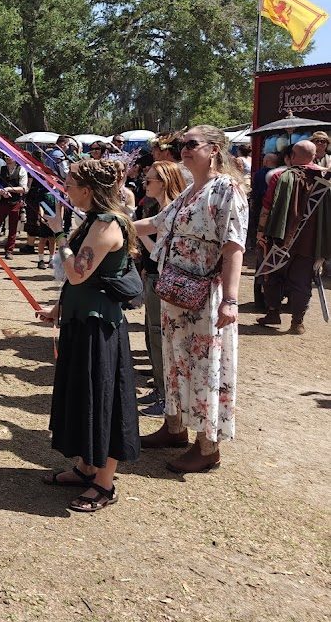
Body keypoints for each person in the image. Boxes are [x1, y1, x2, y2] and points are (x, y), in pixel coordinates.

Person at [133, 125, 247, 473]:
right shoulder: (191, 190)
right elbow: (156, 222)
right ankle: (174, 427)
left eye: (191, 144)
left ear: (214, 149)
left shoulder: (227, 189)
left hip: (204, 296)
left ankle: (207, 446)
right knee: (174, 360)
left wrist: (230, 300)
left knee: (203, 366)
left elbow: (233, 247)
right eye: (182, 145)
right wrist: (114, 221)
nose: (184, 149)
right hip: (176, 292)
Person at [37, 159, 140, 512]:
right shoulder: (94, 221)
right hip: (81, 321)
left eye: (70, 184)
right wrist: (58, 309)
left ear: (89, 190)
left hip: (100, 328)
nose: (66, 189)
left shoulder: (108, 225)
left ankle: (104, 484)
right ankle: (85, 468)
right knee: (83, 396)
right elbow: (78, 282)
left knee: (102, 400)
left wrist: (59, 235)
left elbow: (78, 273)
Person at [256, 140, 331, 334]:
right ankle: (297, 322)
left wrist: (260, 232)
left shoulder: (280, 176)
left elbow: (267, 206)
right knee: (302, 281)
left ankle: (273, 312)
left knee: (273, 274)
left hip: (280, 238)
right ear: (314, 156)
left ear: (293, 156)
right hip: (311, 242)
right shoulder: (326, 178)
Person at [134, 161, 187, 417]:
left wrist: (136, 233)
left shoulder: (172, 210)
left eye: (150, 180)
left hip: (164, 280)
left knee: (159, 337)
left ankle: (166, 397)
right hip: (153, 276)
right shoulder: (160, 208)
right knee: (151, 335)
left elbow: (159, 252)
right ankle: (159, 388)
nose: (145, 184)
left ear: (164, 182)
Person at [0, 154, 27, 259]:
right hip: (2, 202)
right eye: (6, 156)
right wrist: (1, 192)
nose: (7, 158)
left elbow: (24, 188)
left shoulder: (21, 170)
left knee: (13, 228)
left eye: (9, 156)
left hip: (15, 202)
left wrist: (8, 189)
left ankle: (9, 251)